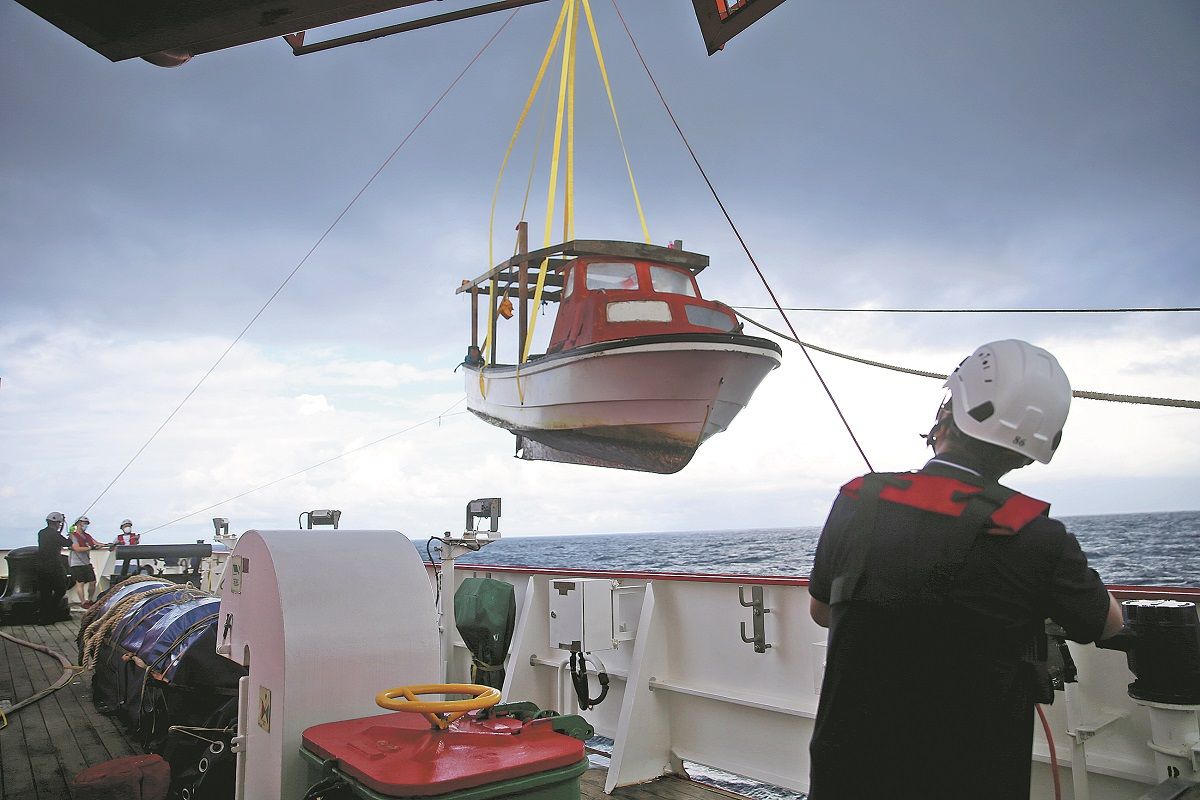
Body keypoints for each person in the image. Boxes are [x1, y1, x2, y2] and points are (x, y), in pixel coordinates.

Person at [807, 339, 1125, 800]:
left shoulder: (858, 498)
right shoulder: (1038, 536)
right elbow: (1107, 623)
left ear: (947, 414)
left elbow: (821, 611)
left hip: (847, 769)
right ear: (1030, 452)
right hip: (971, 778)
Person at [35, 511, 71, 623]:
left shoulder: (41, 533)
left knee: (45, 592)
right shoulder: (55, 535)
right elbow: (68, 543)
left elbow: (56, 538)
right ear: (57, 523)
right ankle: (51, 613)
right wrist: (71, 534)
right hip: (54, 567)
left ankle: (44, 617)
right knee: (60, 589)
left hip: (41, 566)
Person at [68, 515, 108, 608]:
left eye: (86, 523)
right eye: (84, 523)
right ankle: (83, 602)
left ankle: (89, 600)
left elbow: (95, 543)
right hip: (76, 563)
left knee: (93, 581)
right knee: (80, 583)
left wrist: (106, 545)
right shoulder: (73, 536)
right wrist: (90, 548)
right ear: (78, 524)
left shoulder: (87, 536)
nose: (85, 525)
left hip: (86, 563)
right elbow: (77, 548)